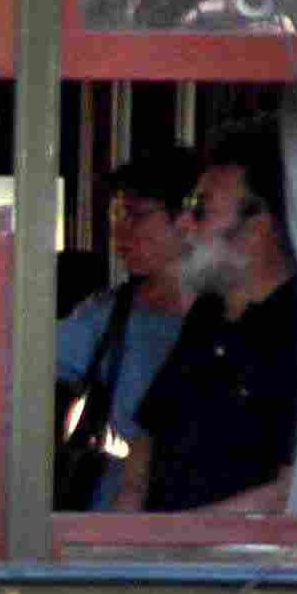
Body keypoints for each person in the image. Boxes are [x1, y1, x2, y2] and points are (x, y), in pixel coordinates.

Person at [127, 139, 297, 518]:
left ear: (256, 227)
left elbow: (292, 491)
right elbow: (149, 432)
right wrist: (126, 515)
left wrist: (177, 537)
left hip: (242, 570)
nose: (184, 225)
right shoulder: (207, 314)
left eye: (200, 211)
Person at [55, 146, 195, 513]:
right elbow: (22, 360)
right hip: (117, 506)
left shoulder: (235, 318)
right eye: (116, 214)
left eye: (135, 216)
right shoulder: (108, 316)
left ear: (185, 220)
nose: (119, 231)